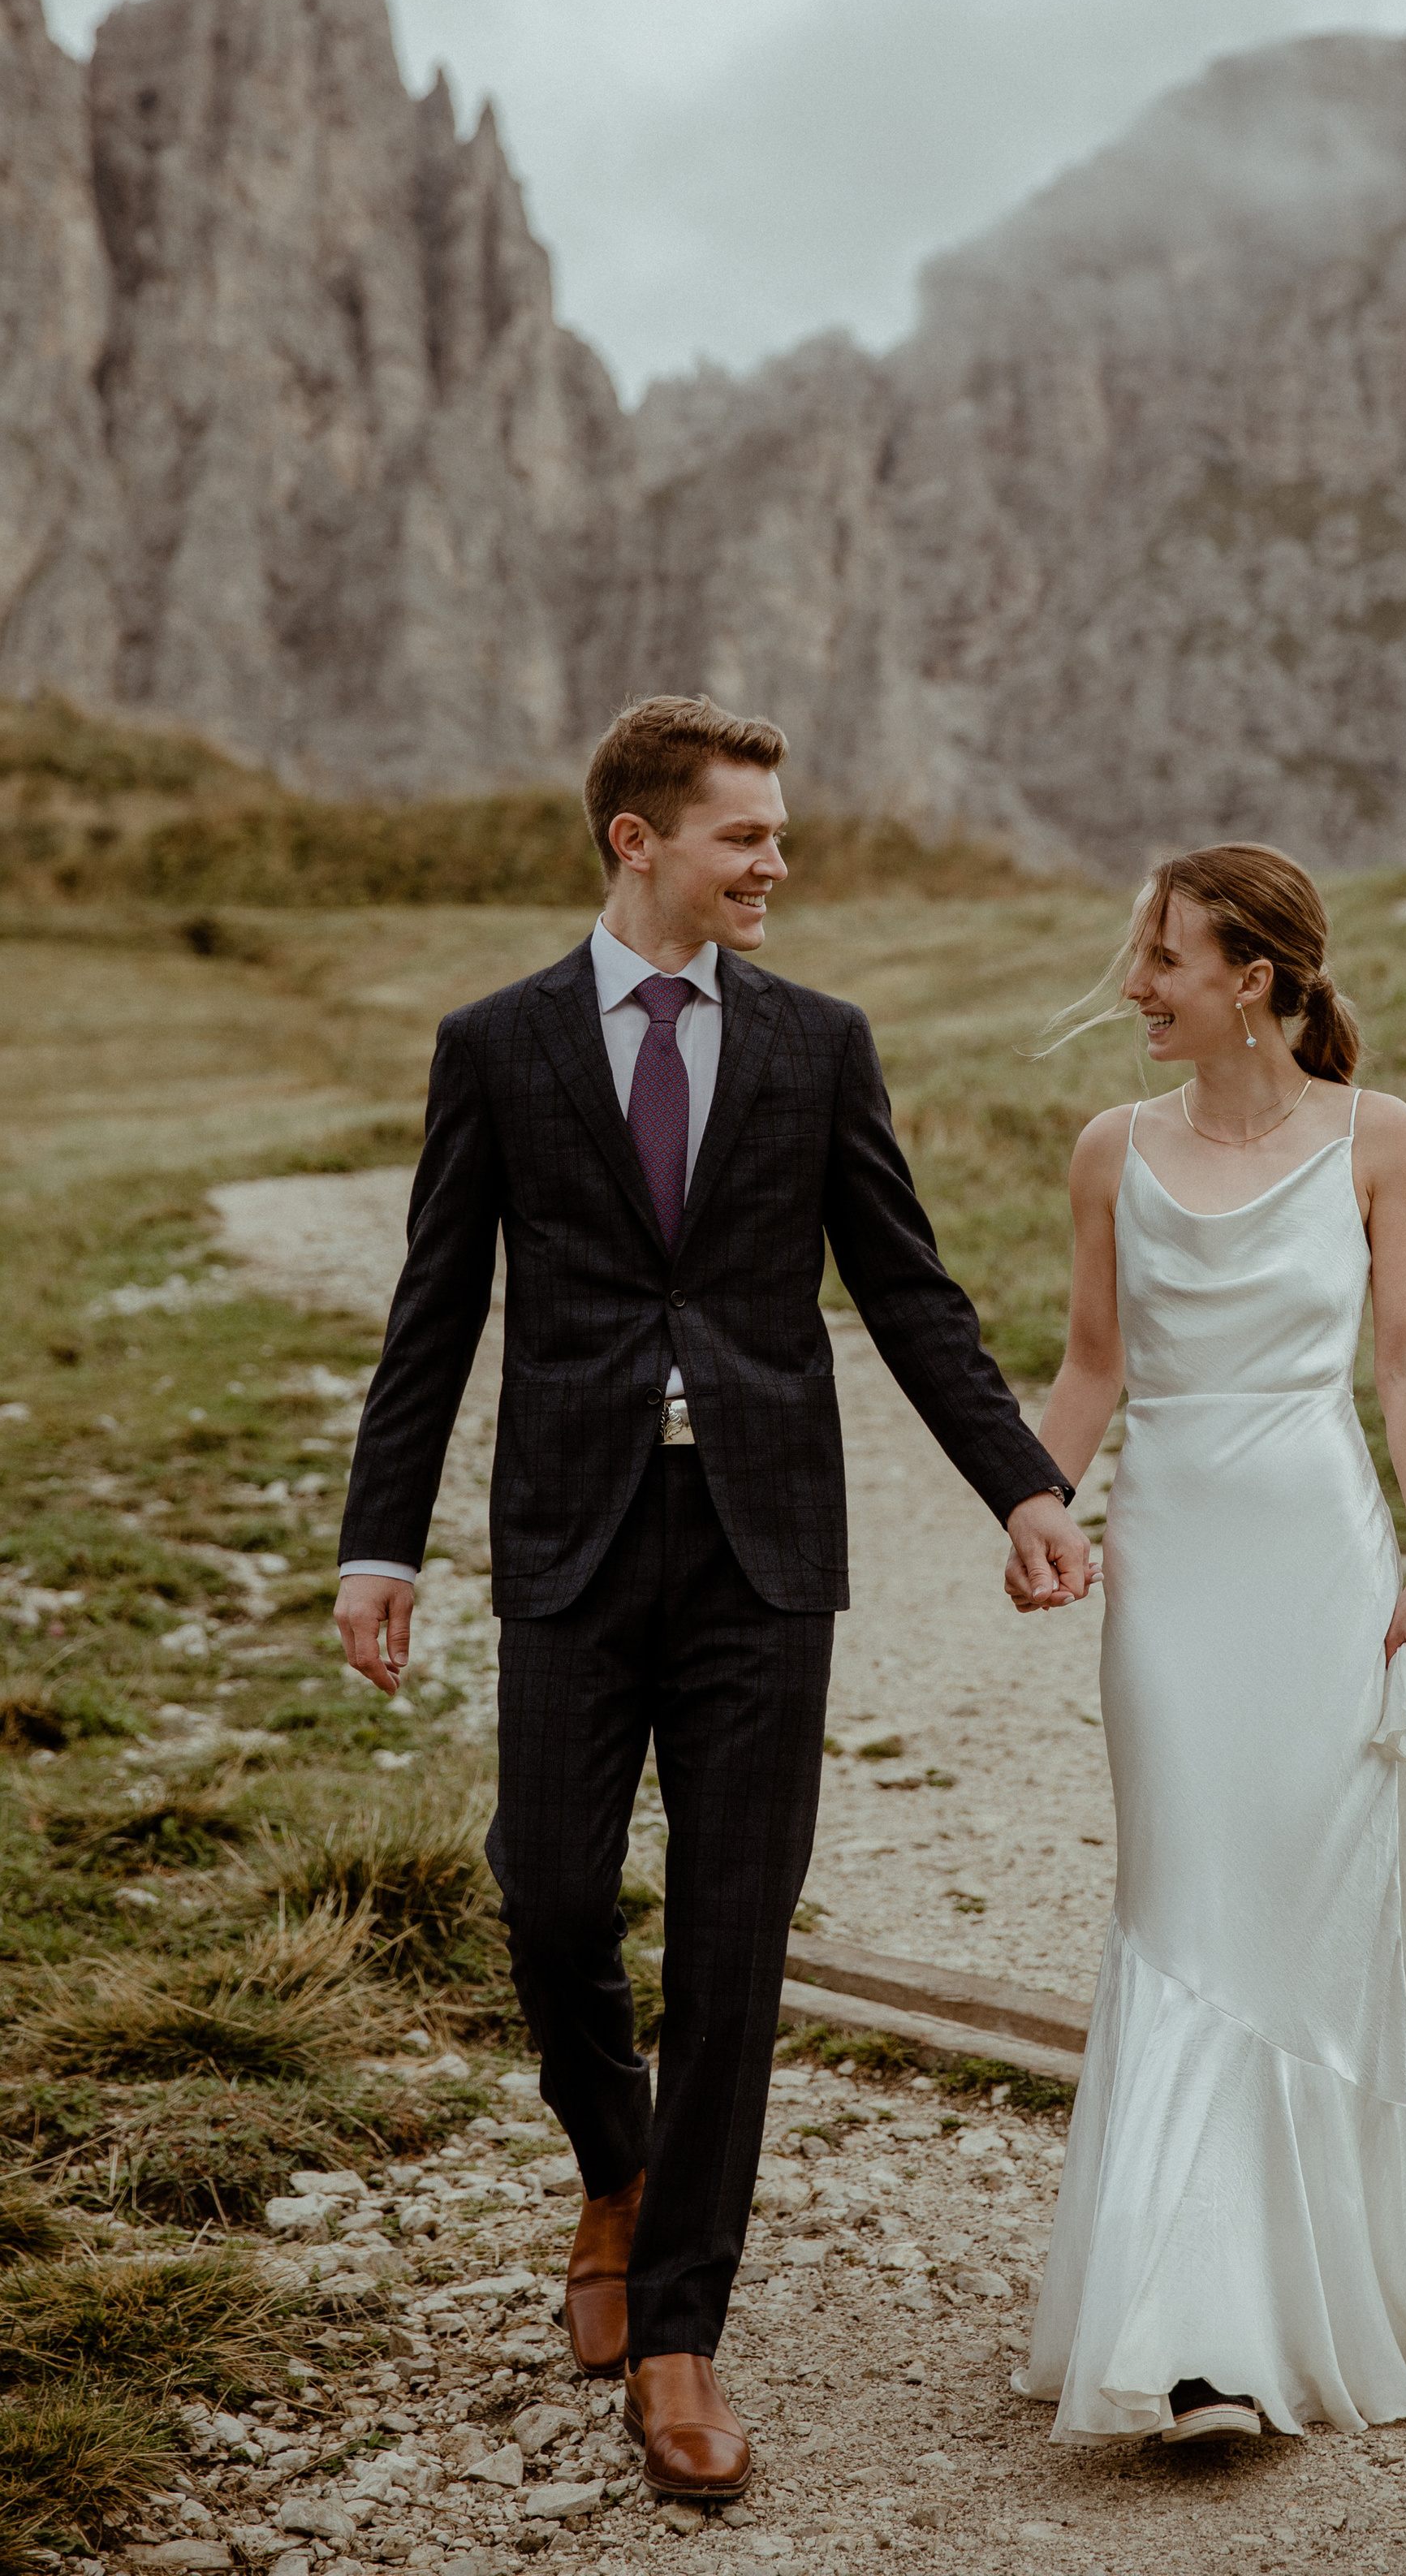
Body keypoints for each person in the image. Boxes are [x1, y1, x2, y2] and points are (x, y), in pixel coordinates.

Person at [332, 695, 1090, 2500]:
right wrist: (380, 1542)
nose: (776, 862)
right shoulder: (497, 1046)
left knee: (735, 1940)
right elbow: (433, 1311)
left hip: (766, 1548)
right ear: (636, 840)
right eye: (744, 834)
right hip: (570, 1539)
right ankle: (615, 2159)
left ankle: (680, 2329)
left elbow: (908, 1295)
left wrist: (1025, 1485)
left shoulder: (818, 1045)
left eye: (777, 832)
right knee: (549, 1894)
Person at [1013, 843, 1406, 2444]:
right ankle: (1191, 2325)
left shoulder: (1377, 1140)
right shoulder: (1111, 1149)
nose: (1135, 988)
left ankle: (1297, 2298)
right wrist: (1032, 1500)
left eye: (1161, 961)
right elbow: (1091, 1366)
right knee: (1183, 1905)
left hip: (1321, 1557)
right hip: (1171, 1568)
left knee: (1312, 1916)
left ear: (1249, 981)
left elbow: (1405, 1371)